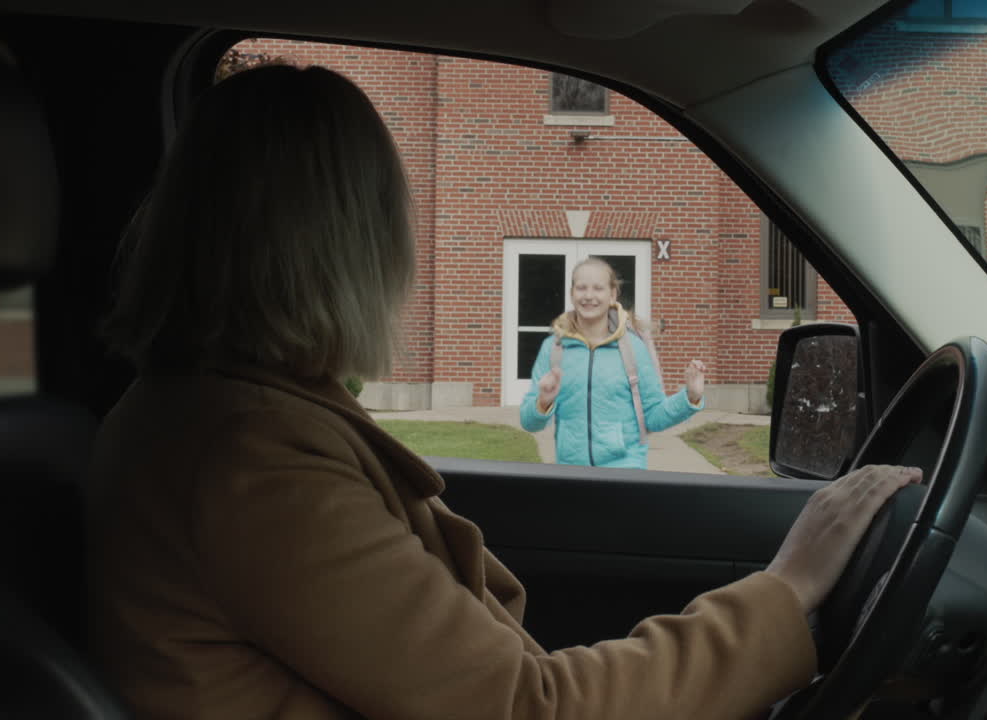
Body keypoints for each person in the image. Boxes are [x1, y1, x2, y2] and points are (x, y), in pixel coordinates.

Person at [85, 62, 922, 720]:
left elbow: (650, 415)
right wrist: (789, 587)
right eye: (394, 224)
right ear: (347, 252)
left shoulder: (228, 425)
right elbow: (530, 707)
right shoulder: (252, 468)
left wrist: (690, 401)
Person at [520, 257, 704, 468]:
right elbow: (529, 423)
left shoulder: (633, 349)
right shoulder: (554, 348)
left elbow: (654, 417)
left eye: (598, 288)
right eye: (581, 288)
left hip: (624, 473)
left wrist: (690, 397)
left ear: (612, 295)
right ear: (572, 293)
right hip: (571, 473)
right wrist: (543, 402)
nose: (589, 296)